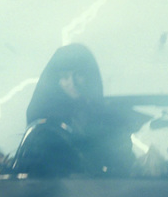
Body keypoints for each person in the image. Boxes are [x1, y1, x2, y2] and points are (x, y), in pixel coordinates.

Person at [13, 44, 135, 178]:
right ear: (55, 80)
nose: (71, 82)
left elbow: (123, 167)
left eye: (79, 75)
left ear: (89, 76)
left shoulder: (106, 119)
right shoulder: (43, 126)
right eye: (65, 77)